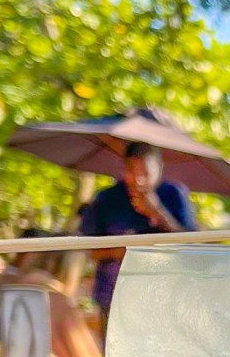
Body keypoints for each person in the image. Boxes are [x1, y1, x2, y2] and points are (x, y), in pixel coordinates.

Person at [79, 142, 197, 337]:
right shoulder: (106, 199)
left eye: (146, 173)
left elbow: (190, 246)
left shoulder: (173, 195)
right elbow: (88, 249)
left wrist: (159, 213)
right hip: (115, 296)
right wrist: (120, 251)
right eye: (132, 172)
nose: (139, 180)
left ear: (159, 168)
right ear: (123, 169)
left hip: (165, 297)